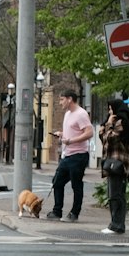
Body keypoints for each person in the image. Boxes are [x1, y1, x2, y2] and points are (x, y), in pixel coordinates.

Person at [46, 89, 94, 222]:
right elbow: (73, 131)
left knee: (76, 185)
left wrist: (71, 141)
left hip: (78, 155)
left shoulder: (81, 114)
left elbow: (89, 133)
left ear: (69, 99)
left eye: (62, 99)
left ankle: (74, 213)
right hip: (67, 155)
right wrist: (62, 134)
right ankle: (57, 211)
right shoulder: (68, 114)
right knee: (57, 182)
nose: (60, 102)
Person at [98, 98, 129, 235]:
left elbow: (110, 138)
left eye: (111, 109)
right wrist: (107, 127)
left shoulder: (122, 122)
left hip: (120, 163)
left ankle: (117, 225)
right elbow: (102, 137)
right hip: (111, 162)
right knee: (112, 194)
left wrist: (108, 125)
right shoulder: (113, 123)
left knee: (117, 195)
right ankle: (114, 224)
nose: (109, 112)